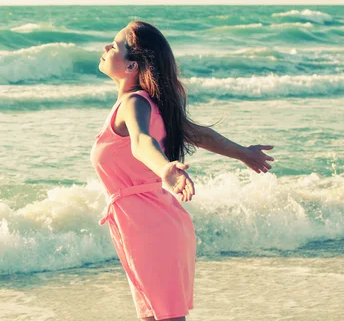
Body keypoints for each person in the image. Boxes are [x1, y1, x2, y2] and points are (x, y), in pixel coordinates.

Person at [90, 20, 275, 321]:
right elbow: (199, 134)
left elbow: (141, 142)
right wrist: (243, 153)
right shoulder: (147, 104)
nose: (106, 47)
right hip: (143, 227)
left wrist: (165, 168)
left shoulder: (135, 104)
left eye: (115, 45)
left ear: (132, 65)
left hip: (152, 229)